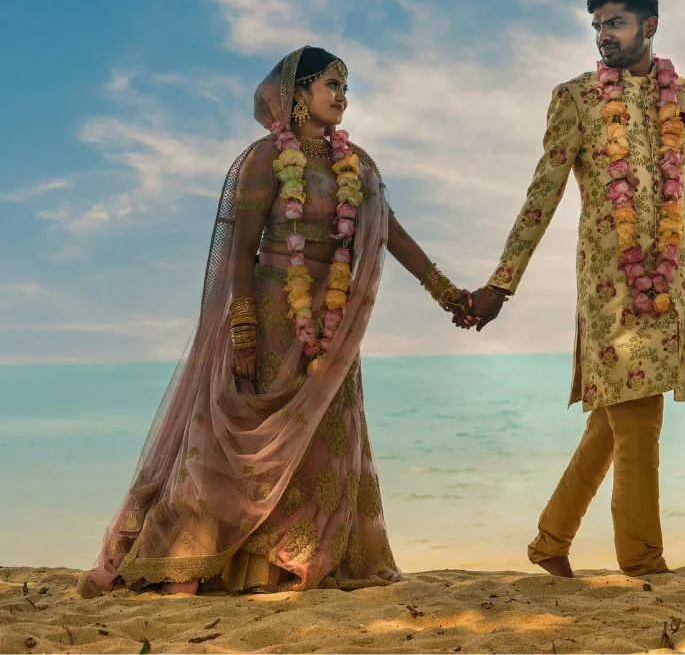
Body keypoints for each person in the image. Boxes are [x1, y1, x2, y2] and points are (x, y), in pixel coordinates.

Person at [77, 46, 471, 597]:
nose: (341, 96)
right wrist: (242, 325)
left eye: (345, 87)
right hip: (269, 310)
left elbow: (389, 233)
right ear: (297, 93)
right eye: (331, 84)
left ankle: (285, 566)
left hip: (330, 323)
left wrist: (446, 292)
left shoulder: (356, 164)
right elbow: (239, 250)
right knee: (232, 441)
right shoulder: (266, 158)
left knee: (318, 442)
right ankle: (191, 565)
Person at [460, 0, 685, 578]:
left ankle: (549, 542)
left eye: (615, 23)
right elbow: (544, 193)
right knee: (639, 420)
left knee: (614, 421)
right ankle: (644, 563)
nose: (603, 36)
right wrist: (502, 282)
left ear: (651, 25)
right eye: (596, 26)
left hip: (668, 286)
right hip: (609, 291)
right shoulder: (577, 98)